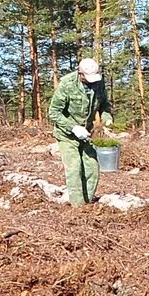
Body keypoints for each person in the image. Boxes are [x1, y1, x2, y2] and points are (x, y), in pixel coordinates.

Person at [47, 58, 112, 206]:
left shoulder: (99, 83)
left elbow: (104, 104)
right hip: (67, 135)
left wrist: (106, 117)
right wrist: (73, 127)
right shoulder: (67, 84)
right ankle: (78, 207)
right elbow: (53, 112)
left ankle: (87, 201)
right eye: (87, 78)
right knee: (74, 168)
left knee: (92, 168)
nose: (91, 81)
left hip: (87, 134)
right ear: (80, 73)